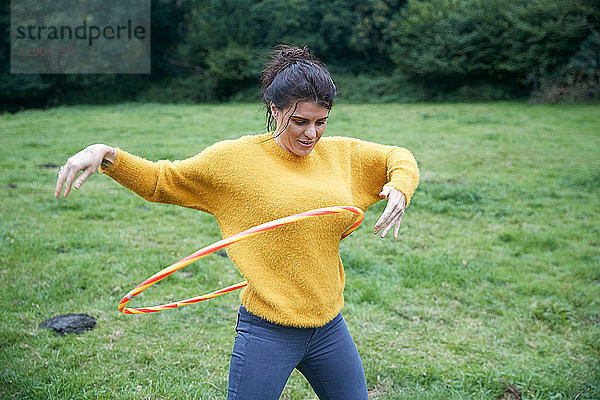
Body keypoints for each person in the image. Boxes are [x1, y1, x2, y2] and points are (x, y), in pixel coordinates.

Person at [54, 45, 419, 400]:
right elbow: (160, 180)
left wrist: (400, 187)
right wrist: (105, 154)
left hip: (328, 327)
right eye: (300, 122)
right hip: (268, 330)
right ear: (275, 110)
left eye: (321, 122)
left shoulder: (340, 155)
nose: (311, 134)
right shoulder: (234, 161)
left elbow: (397, 156)